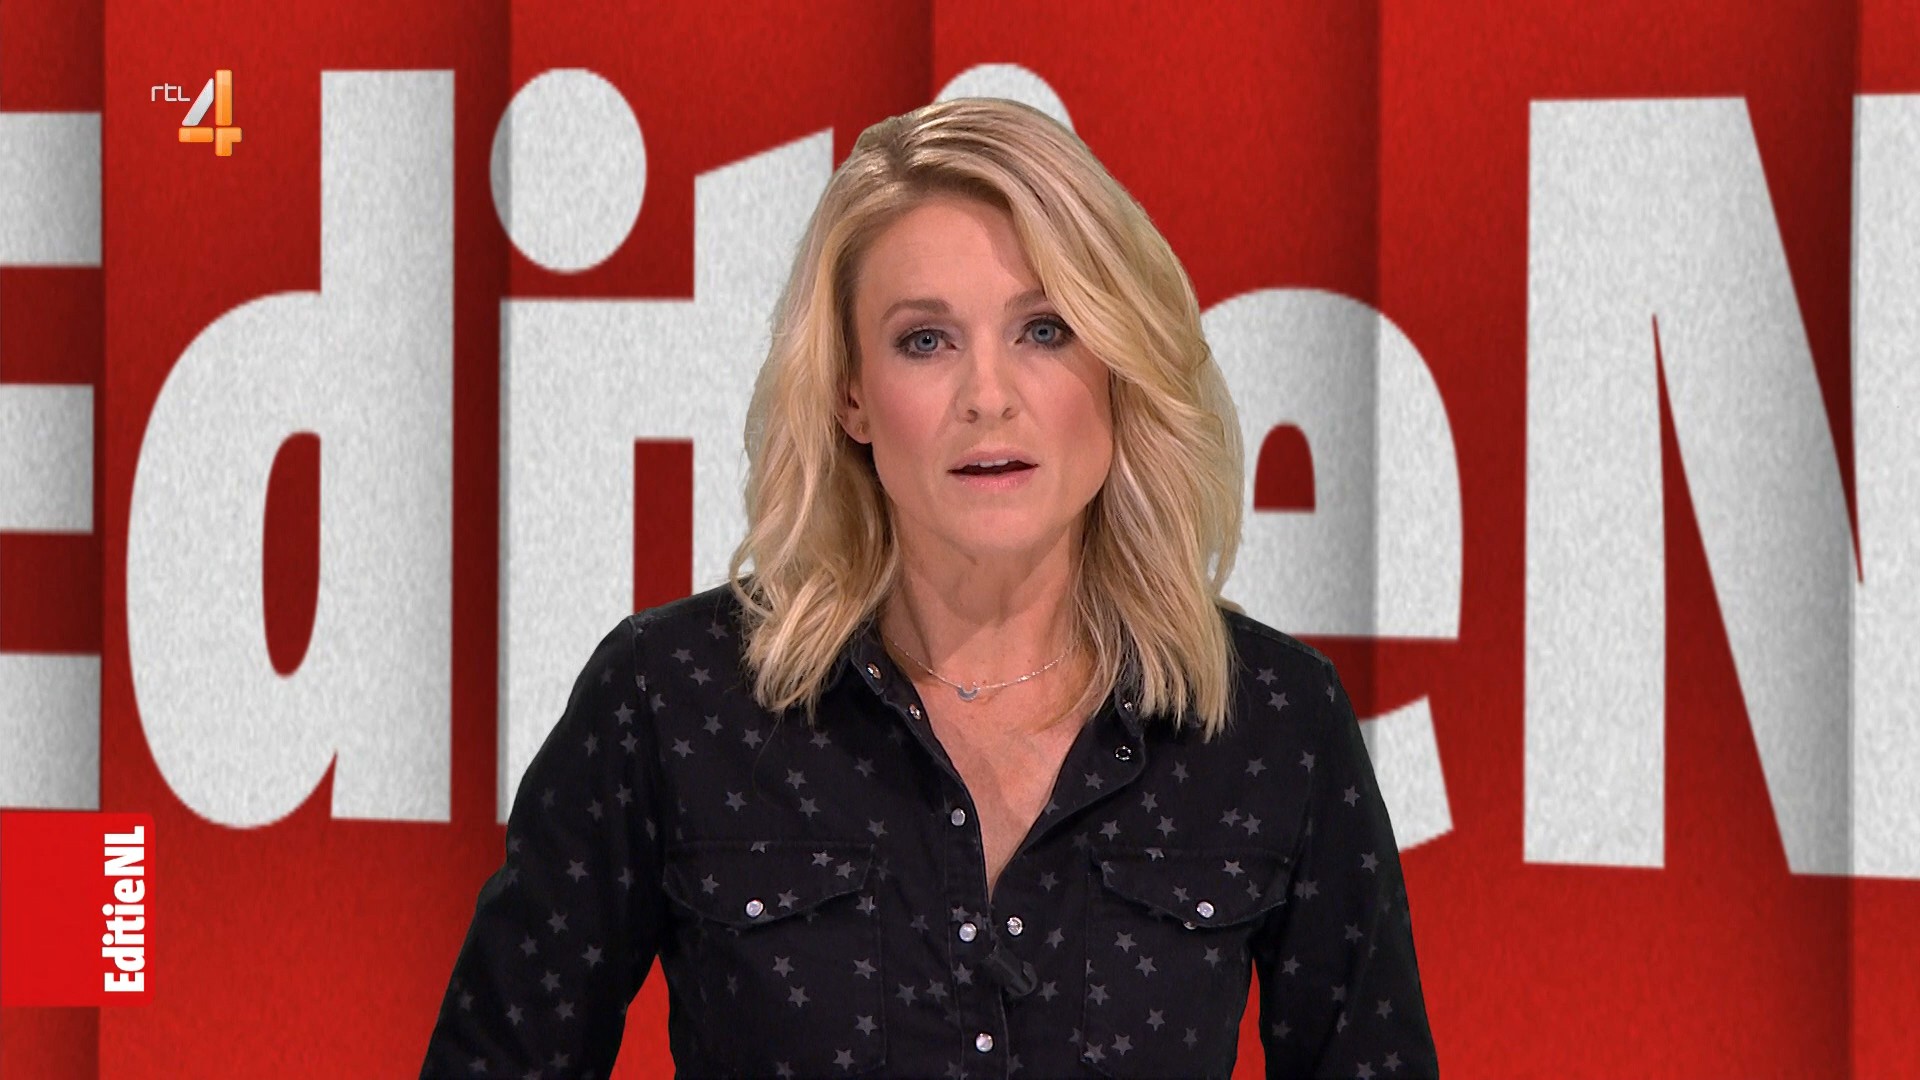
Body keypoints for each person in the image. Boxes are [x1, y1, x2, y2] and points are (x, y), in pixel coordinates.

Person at [421, 96, 1438, 1079]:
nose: (988, 396)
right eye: (925, 341)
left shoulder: (1274, 722)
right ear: (852, 394)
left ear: (1121, 365)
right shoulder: (671, 698)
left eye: (1045, 330)